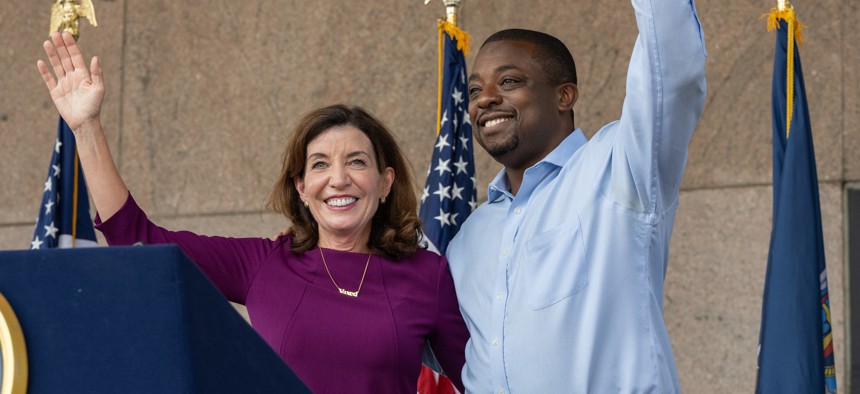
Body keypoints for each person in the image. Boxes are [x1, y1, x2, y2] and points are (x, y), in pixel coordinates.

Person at [37, 32, 468, 393]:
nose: (338, 179)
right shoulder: (264, 265)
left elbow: (479, 380)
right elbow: (136, 236)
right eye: (320, 164)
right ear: (301, 188)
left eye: (356, 162)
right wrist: (85, 127)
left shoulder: (426, 275)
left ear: (385, 181)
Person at [446, 0, 707, 392]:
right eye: (474, 89)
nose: (485, 99)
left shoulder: (617, 169)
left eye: (509, 81)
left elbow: (671, 73)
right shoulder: (468, 238)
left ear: (564, 96)